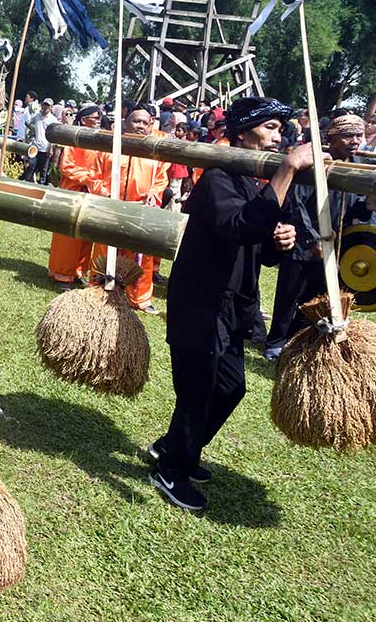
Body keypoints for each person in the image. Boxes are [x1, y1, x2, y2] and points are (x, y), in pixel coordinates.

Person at [148, 97, 303, 511]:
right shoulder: (217, 176)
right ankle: (171, 470)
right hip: (201, 301)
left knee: (231, 387)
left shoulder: (257, 181)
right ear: (241, 131)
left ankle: (174, 446)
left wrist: (280, 242)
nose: (278, 135)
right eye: (270, 127)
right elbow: (237, 226)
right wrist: (288, 168)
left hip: (235, 305)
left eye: (279, 128)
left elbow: (262, 245)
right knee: (196, 392)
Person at [263, 113, 376, 359]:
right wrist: (312, 239)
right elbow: (297, 204)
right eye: (348, 135)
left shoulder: (358, 164)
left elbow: (353, 208)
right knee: (290, 294)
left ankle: (300, 341)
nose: (355, 140)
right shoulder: (314, 163)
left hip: (333, 244)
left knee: (317, 296)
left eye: (358, 135)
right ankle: (275, 343)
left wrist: (368, 206)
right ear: (333, 138)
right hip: (302, 240)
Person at [87, 106, 168, 313]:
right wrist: (105, 193)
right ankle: (97, 289)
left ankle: (140, 298)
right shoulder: (110, 147)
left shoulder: (155, 152)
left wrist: (154, 193)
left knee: (142, 256)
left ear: (150, 126)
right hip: (111, 209)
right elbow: (94, 176)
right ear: (125, 123)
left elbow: (161, 181)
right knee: (105, 250)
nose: (139, 126)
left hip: (140, 212)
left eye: (144, 122)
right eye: (135, 121)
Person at [47, 104, 101, 289]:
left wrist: (96, 182)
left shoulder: (99, 141)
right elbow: (66, 167)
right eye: (94, 117)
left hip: (92, 193)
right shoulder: (74, 139)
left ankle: (79, 271)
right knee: (68, 237)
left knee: (86, 235)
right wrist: (88, 178)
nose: (98, 120)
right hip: (72, 192)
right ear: (84, 119)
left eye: (99, 117)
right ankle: (62, 273)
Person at [21, 98, 57, 185]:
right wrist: (34, 131)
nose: (45, 107)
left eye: (48, 105)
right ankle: (27, 185)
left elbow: (54, 135)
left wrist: (51, 147)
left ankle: (41, 188)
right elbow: (27, 122)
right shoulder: (37, 116)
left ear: (51, 107)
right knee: (31, 167)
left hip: (46, 148)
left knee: (43, 171)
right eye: (44, 105)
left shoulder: (53, 120)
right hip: (35, 147)